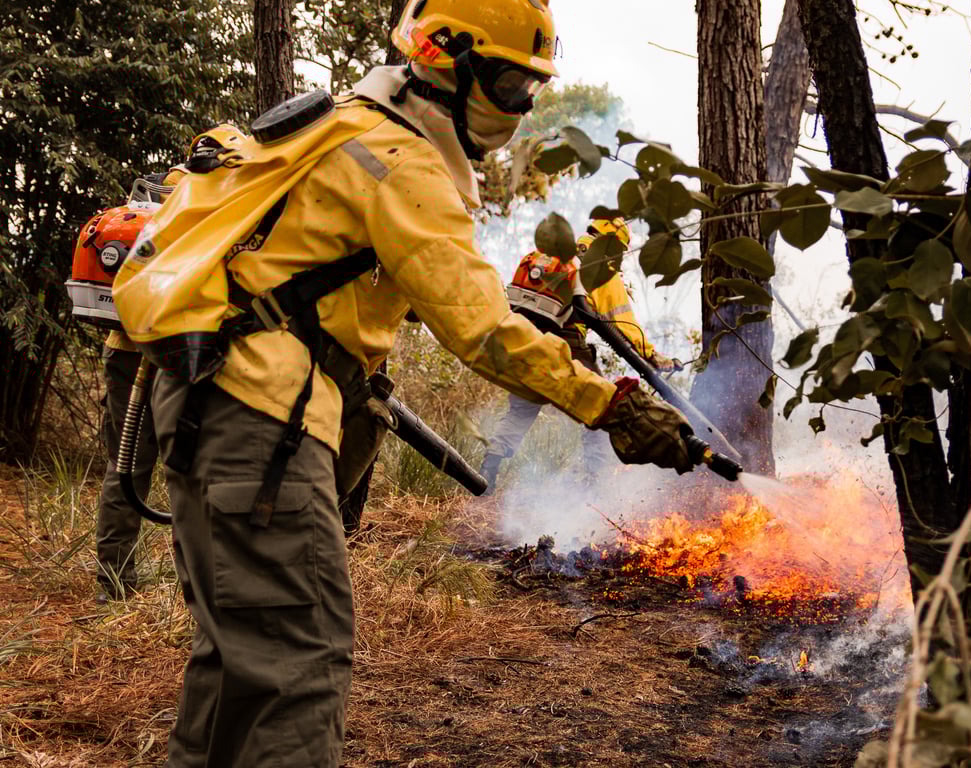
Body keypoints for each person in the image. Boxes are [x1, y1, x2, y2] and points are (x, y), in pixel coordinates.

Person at [113, 1, 698, 765]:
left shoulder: (345, 125)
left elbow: (334, 281)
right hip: (261, 420)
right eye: (509, 88)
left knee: (236, 663)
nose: (519, 111)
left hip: (209, 401)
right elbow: (482, 328)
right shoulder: (404, 163)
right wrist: (608, 404)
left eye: (529, 91)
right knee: (300, 663)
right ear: (450, 61)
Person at [479, 216, 681, 492]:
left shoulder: (552, 254)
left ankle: (488, 470)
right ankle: (596, 486)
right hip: (566, 342)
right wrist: (655, 358)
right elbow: (622, 321)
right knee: (602, 405)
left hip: (524, 338)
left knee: (522, 408)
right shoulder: (601, 262)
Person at [90, 167, 186, 602]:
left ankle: (114, 583)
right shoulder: (203, 192)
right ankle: (197, 584)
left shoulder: (159, 192)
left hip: (126, 347)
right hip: (173, 351)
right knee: (189, 469)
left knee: (125, 463)